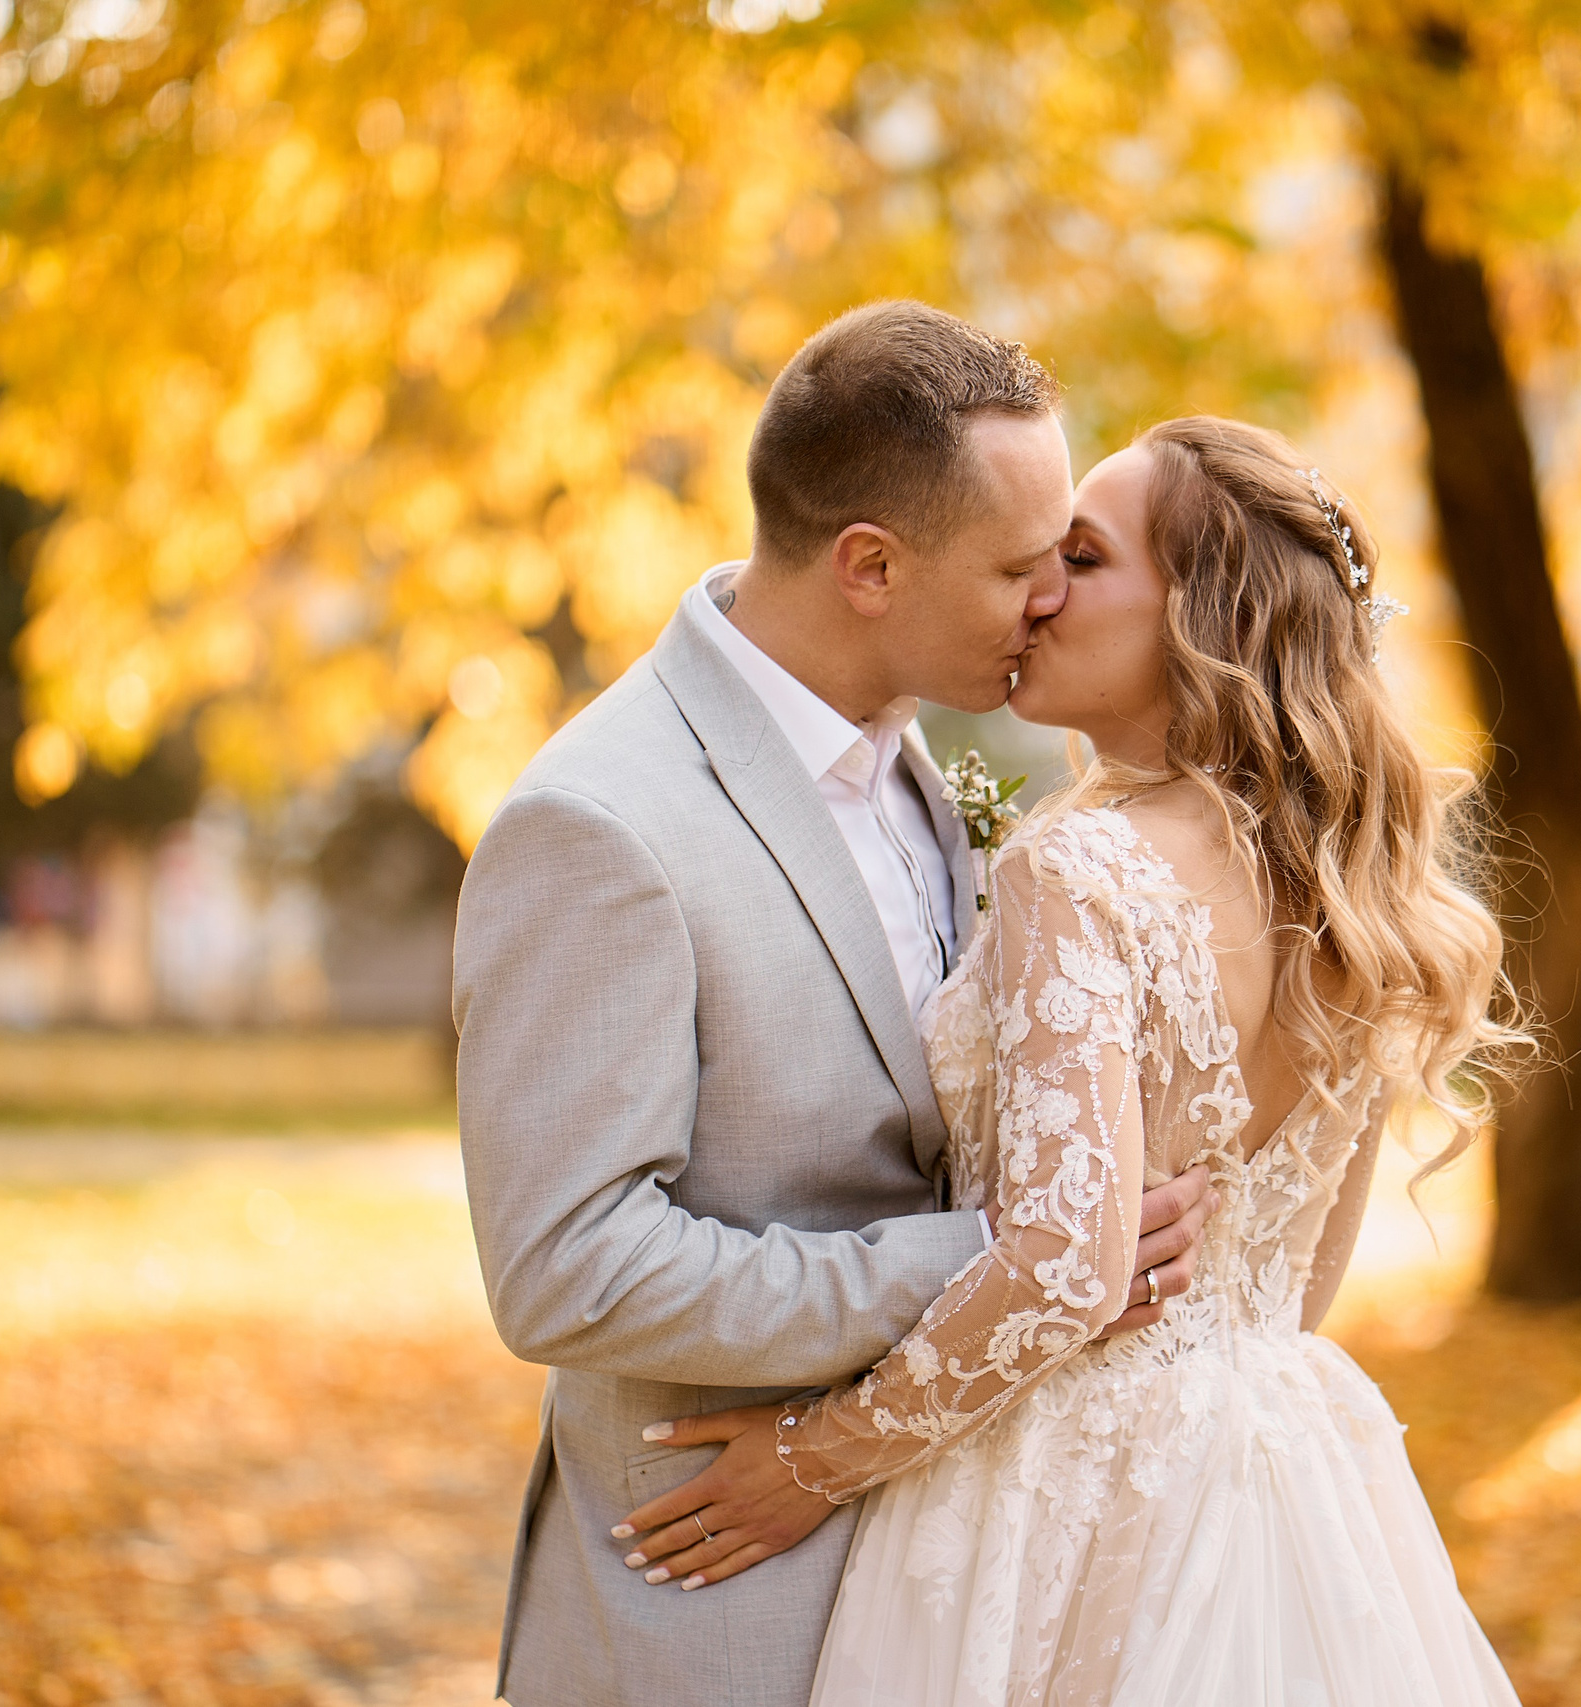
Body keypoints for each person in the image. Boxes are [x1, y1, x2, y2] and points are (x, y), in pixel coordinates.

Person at [610, 416, 1529, 1704]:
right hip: (1288, 1481)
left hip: (1063, 1493)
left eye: (1082, 559)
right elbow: (1294, 1286)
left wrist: (810, 1461)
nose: (1037, 594)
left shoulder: (1075, 869)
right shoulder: (1356, 903)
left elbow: (1062, 1265)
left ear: (1203, 616)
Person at [452, 302, 1217, 1707]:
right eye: (1018, 570)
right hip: (715, 1612)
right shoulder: (601, 825)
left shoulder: (947, 780)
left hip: (954, 1592)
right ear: (870, 565)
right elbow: (572, 1267)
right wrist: (1009, 1254)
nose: (1050, 601)